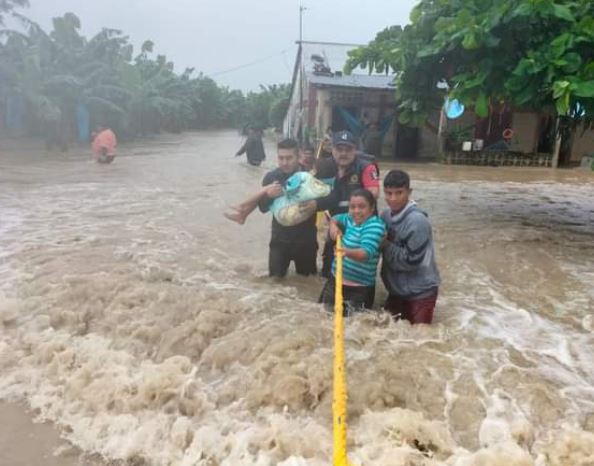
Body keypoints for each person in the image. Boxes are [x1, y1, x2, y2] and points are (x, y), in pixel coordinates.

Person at [314, 130, 380, 278]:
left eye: (348, 149)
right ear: (332, 150)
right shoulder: (324, 167)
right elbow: (312, 190)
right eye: (339, 149)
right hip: (335, 225)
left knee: (358, 272)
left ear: (355, 150)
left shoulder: (366, 167)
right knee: (328, 272)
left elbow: (374, 193)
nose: (343, 154)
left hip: (360, 229)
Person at [380, 170, 441, 324]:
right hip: (396, 290)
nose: (393, 199)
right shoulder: (385, 216)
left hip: (421, 292)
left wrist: (385, 244)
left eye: (399, 193)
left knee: (419, 339)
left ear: (409, 192)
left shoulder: (418, 222)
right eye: (388, 193)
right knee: (384, 333)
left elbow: (411, 261)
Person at [256, 138, 318, 278]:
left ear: (298, 156)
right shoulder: (271, 178)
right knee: (274, 284)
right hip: (279, 242)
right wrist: (269, 196)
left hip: (306, 242)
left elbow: (328, 199)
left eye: (289, 158)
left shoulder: (311, 176)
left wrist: (316, 204)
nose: (284, 162)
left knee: (307, 284)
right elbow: (262, 208)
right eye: (281, 158)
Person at [319, 189, 385, 314]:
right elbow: (335, 218)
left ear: (371, 208)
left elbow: (366, 254)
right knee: (322, 319)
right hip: (335, 281)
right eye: (352, 207)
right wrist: (333, 227)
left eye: (361, 207)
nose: (356, 211)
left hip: (359, 291)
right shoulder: (349, 218)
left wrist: (346, 252)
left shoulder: (375, 226)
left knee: (354, 327)